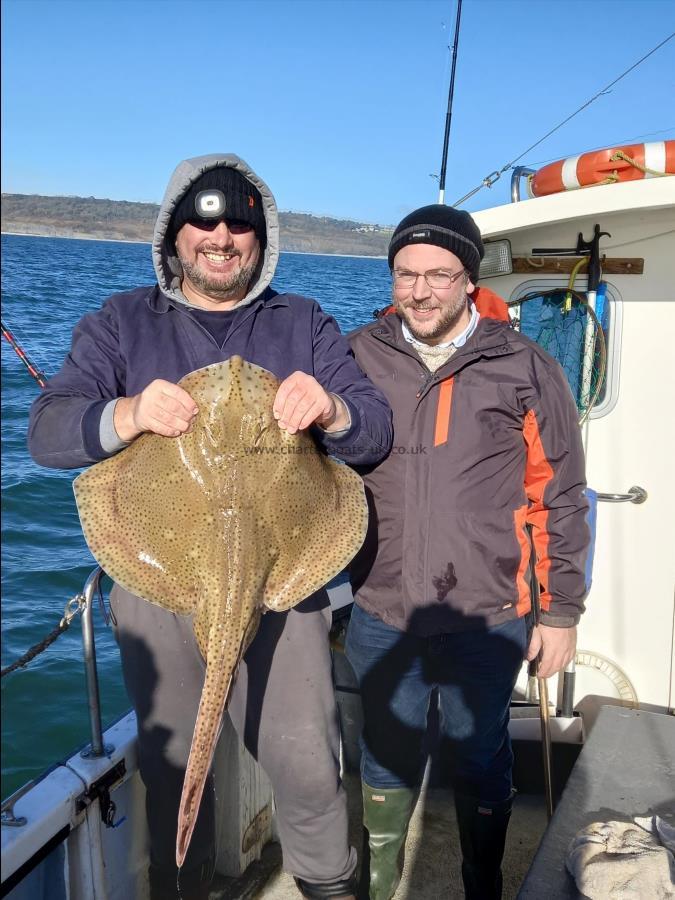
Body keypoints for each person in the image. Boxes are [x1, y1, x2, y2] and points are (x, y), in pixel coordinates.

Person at [28, 154, 393, 900]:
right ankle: (182, 886)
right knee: (172, 768)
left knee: (305, 765)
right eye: (203, 220)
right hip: (163, 580)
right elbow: (48, 433)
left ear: (262, 238)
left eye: (239, 224)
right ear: (174, 233)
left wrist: (332, 408)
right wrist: (126, 414)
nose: (221, 236)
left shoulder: (304, 323)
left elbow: (374, 431)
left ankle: (329, 884)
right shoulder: (120, 323)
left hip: (285, 583)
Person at [345, 205, 590, 900]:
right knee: (383, 757)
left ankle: (481, 884)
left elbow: (560, 493)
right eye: (404, 274)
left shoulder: (524, 365)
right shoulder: (357, 353)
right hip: (379, 606)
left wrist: (560, 612)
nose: (419, 292)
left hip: (489, 610)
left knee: (481, 755)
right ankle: (383, 883)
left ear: (467, 280)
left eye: (438, 276)